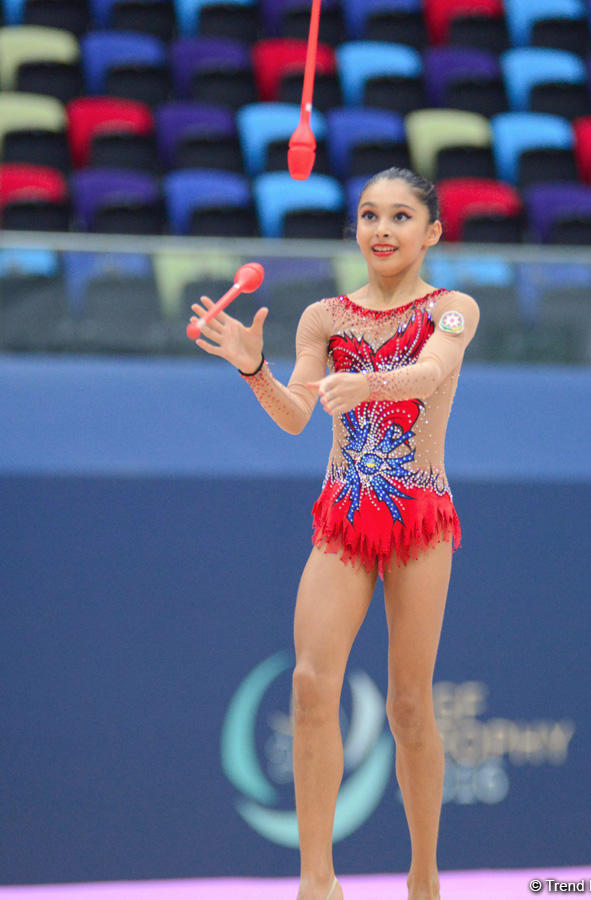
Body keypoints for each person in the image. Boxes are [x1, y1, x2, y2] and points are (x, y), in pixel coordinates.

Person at [189, 167, 479, 900]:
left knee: (408, 704)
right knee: (311, 685)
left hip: (417, 513)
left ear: (432, 232)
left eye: (400, 217)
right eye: (369, 215)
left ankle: (423, 875)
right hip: (344, 515)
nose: (381, 230)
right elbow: (295, 415)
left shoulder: (453, 309)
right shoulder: (322, 317)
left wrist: (369, 385)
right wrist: (253, 369)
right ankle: (317, 882)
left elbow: (430, 372)